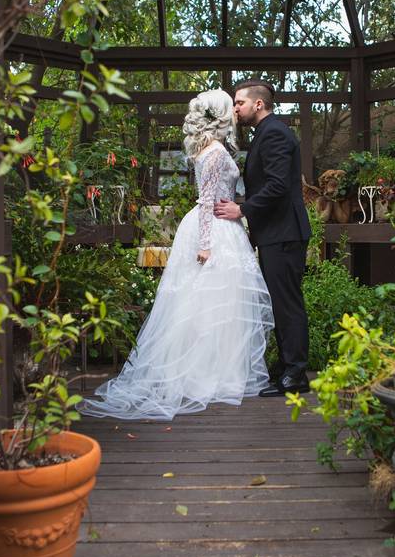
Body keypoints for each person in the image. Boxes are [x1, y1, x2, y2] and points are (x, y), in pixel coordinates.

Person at [81, 89, 272, 420]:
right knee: (208, 305)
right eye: (232, 108)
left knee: (220, 306)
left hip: (224, 227)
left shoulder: (214, 149)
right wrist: (205, 244)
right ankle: (206, 375)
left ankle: (221, 372)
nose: (235, 113)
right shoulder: (213, 153)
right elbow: (206, 201)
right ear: (221, 116)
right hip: (213, 230)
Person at [214, 79, 311, 397]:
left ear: (258, 104)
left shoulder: (274, 134)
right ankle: (285, 368)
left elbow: (279, 185)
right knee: (281, 303)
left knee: (288, 304)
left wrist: (241, 210)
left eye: (239, 102)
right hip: (275, 233)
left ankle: (296, 374)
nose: (235, 108)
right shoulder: (264, 134)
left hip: (284, 233)